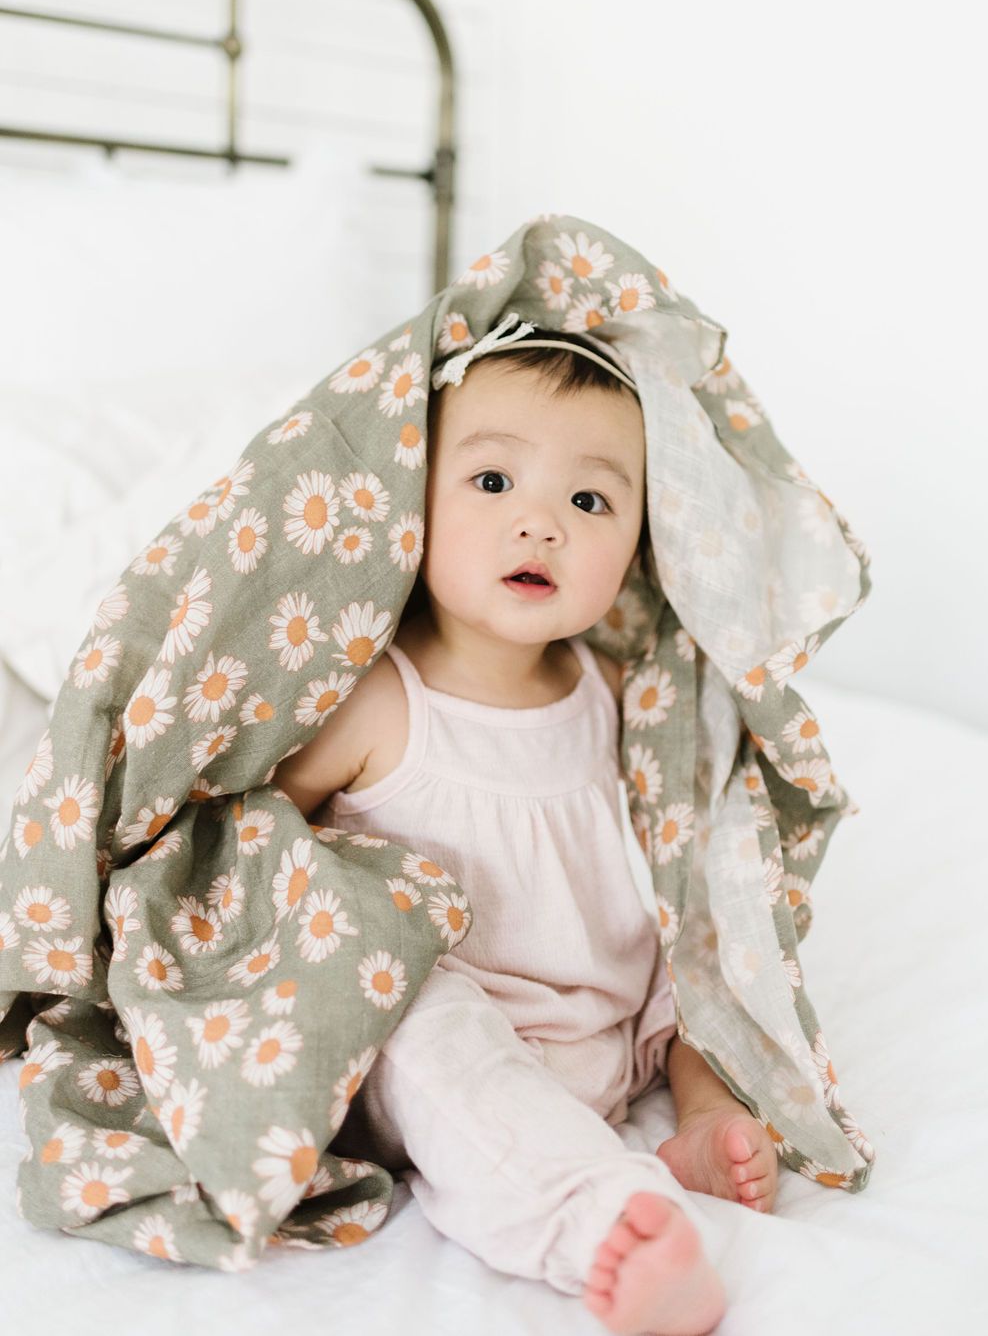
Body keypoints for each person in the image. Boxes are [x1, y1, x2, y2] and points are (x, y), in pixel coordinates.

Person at [273, 325, 776, 1334]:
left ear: (637, 546)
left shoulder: (617, 693)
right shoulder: (376, 700)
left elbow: (662, 871)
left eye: (589, 500)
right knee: (420, 1009)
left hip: (603, 1034)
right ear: (411, 499)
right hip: (437, 1057)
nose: (539, 522)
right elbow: (254, 848)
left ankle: (700, 1116)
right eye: (493, 480)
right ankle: (599, 1219)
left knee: (700, 945)